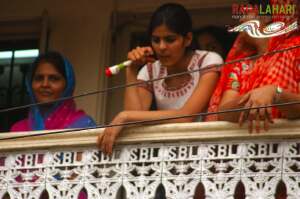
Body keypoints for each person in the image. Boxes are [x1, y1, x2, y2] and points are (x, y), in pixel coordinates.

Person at [98, 3, 223, 154]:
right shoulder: (150, 71)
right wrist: (132, 70)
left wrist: (124, 116)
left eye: (170, 40)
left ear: (188, 39)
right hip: (167, 154)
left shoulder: (208, 60)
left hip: (206, 152)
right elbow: (136, 117)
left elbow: (187, 115)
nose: (162, 47)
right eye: (156, 40)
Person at [206, 0, 300, 134]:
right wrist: (254, 99)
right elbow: (224, 112)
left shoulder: (296, 49)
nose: (241, 19)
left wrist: (275, 93)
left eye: (246, 12)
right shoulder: (241, 65)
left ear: (266, 17)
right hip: (246, 146)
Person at [10, 51, 96, 131]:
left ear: (68, 85)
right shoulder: (18, 130)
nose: (45, 84)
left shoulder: (83, 126)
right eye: (39, 78)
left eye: (54, 79)